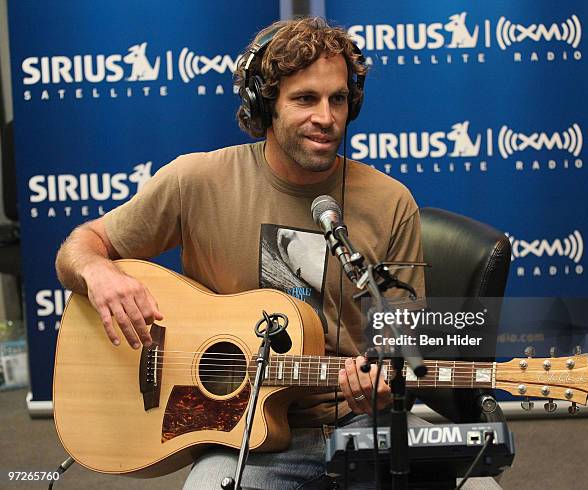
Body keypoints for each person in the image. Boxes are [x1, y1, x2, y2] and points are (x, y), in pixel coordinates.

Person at [56, 17, 497, 490]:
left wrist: (383, 380)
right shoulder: (196, 181)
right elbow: (80, 247)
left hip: (358, 425)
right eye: (305, 99)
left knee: (480, 487)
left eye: (339, 99)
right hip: (241, 432)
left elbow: (403, 344)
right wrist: (98, 273)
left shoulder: (391, 203)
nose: (326, 118)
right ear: (264, 104)